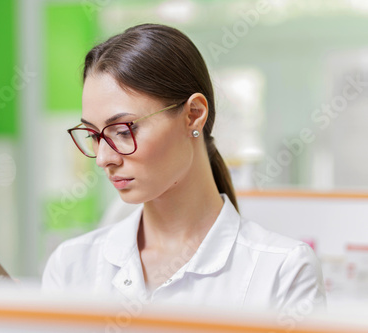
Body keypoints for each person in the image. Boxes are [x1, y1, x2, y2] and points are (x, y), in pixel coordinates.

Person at [42, 23, 326, 311]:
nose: (104, 158)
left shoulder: (282, 272)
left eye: (124, 131)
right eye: (93, 135)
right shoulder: (71, 267)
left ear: (193, 115)